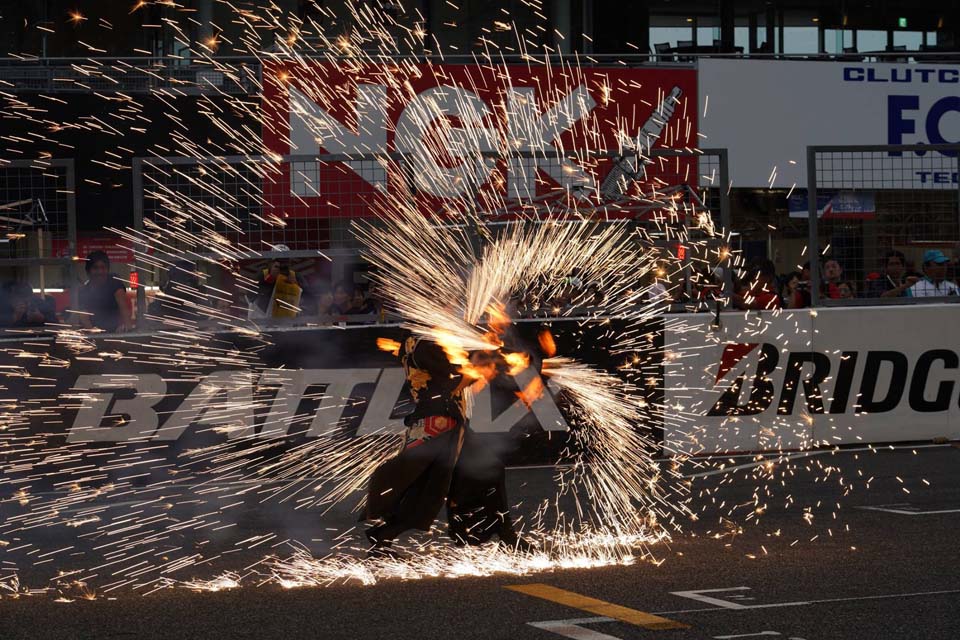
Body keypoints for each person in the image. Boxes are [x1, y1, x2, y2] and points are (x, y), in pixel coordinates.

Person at [363, 331, 528, 556]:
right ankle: (384, 535)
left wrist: (482, 363)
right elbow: (445, 387)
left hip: (445, 421)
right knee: (430, 486)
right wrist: (479, 369)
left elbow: (451, 374)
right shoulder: (427, 345)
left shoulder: (417, 342)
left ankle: (503, 535)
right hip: (440, 424)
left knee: (482, 472)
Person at [78, 251, 132, 332]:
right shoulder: (84, 291)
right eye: (95, 268)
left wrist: (127, 327)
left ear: (107, 269)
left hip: (115, 332)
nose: (99, 272)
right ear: (88, 271)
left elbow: (124, 309)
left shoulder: (115, 283)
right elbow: (84, 318)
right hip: (94, 333)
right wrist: (93, 333)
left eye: (103, 267)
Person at [254, 253, 302, 318]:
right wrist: (270, 279)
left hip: (288, 318)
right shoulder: (263, 275)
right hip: (265, 318)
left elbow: (307, 298)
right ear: (271, 263)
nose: (282, 266)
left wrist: (295, 285)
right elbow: (252, 296)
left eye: (285, 262)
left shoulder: (296, 276)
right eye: (279, 263)